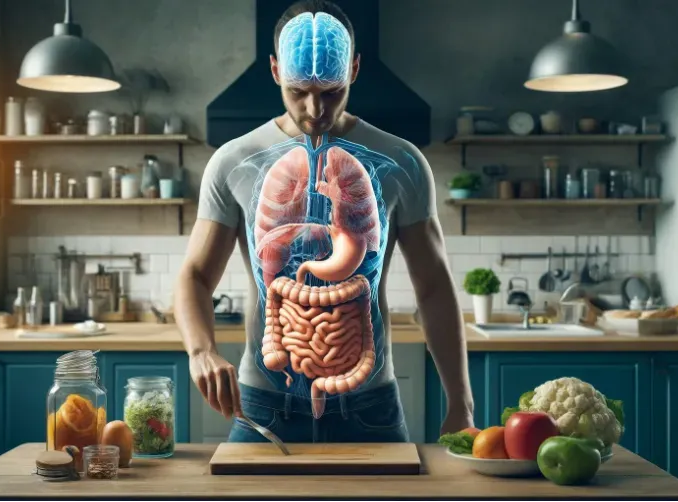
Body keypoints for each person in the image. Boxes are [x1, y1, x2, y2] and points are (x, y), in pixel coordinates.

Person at [173, 0, 474, 443]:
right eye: (299, 91)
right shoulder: (233, 162)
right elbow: (196, 275)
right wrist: (201, 350)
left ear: (353, 68)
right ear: (275, 71)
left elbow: (433, 284)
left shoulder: (402, 161)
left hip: (370, 403)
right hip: (262, 405)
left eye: (331, 91)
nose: (315, 109)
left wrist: (460, 403)